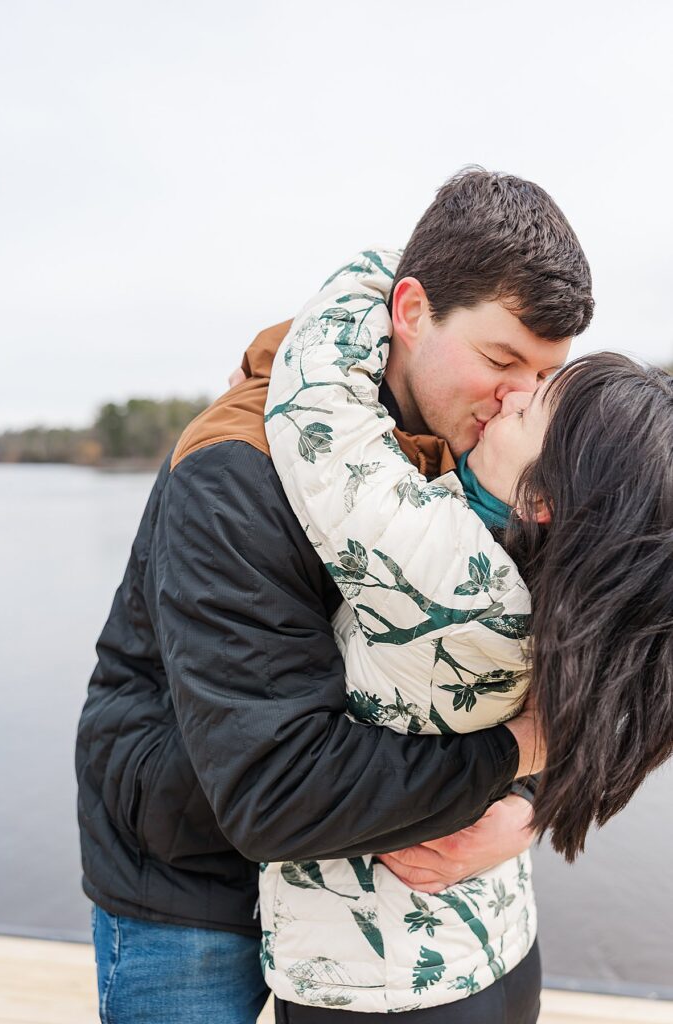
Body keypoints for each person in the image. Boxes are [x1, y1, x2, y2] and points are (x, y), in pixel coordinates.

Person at [75, 169, 594, 1023]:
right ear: (411, 310)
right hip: (193, 876)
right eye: (500, 359)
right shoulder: (234, 473)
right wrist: (515, 756)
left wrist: (523, 809)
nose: (515, 399)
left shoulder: (492, 458)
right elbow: (272, 786)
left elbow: (521, 667)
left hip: (354, 885)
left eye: (540, 377)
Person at [256, 251, 673, 1021]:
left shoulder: (442, 565)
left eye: (535, 403)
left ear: (546, 495)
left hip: (385, 983)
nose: (513, 394)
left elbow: (317, 412)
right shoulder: (578, 597)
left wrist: (387, 272)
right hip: (499, 946)